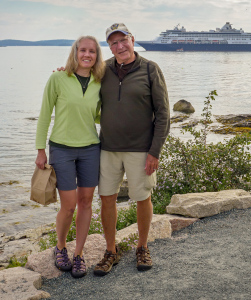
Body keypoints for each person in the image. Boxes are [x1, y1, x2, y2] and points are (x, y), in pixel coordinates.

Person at [93, 23, 170, 276]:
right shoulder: (102, 69)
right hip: (108, 148)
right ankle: (110, 250)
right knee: (107, 198)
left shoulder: (150, 69)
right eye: (113, 43)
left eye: (123, 40)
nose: (119, 46)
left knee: (142, 198)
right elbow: (78, 81)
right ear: (109, 46)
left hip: (141, 150)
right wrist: (63, 73)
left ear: (132, 40)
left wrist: (155, 151)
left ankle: (142, 246)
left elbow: (163, 114)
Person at [35, 35, 105, 279]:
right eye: (82, 50)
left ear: (97, 55)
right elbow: (45, 114)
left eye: (92, 51)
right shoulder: (58, 78)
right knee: (68, 205)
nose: (87, 55)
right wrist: (40, 150)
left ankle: (78, 254)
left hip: (90, 149)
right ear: (75, 53)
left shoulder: (99, 82)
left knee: (86, 202)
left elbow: (96, 116)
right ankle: (61, 247)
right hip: (61, 149)